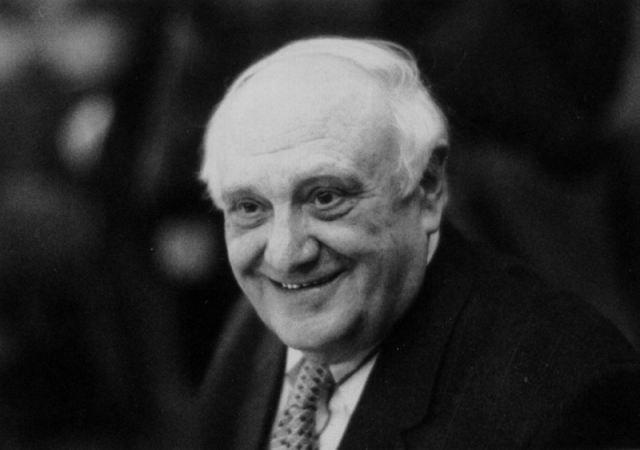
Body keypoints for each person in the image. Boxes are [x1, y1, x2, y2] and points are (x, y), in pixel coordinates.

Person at [196, 37, 640, 449]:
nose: (284, 256)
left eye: (325, 198)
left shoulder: (564, 391)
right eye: (249, 207)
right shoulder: (252, 328)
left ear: (428, 188)